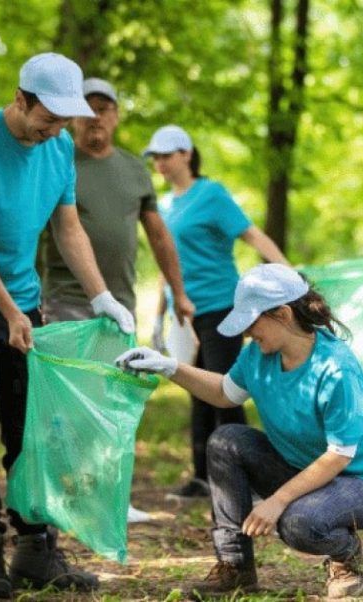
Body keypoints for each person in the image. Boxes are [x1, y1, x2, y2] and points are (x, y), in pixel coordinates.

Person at [0, 53, 135, 598]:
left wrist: (102, 296)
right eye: (47, 119)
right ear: (21, 99)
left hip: (22, 301)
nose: (55, 131)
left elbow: (68, 228)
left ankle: (37, 549)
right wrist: (9, 312)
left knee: (33, 431)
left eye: (64, 121)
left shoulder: (59, 147)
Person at [116, 264, 363, 599]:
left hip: (360, 481)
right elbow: (224, 393)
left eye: (252, 323)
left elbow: (339, 456)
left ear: (282, 314)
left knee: (298, 523)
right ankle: (235, 568)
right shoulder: (258, 356)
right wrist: (169, 367)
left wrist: (277, 500)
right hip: (301, 467)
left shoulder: (336, 368)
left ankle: (345, 554)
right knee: (226, 441)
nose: (248, 333)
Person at [40, 78, 194, 523]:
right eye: (87, 108)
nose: (96, 117)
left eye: (104, 108)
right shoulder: (55, 160)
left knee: (112, 400)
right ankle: (60, 496)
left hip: (119, 306)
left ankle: (109, 496)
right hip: (64, 300)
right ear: (73, 116)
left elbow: (159, 235)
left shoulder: (133, 169)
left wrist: (179, 292)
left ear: (116, 115)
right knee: (69, 404)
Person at [143, 124, 289, 500]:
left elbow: (251, 234)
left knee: (226, 390)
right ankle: (203, 478)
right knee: (197, 391)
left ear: (186, 154)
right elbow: (165, 264)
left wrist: (288, 273)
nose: (160, 162)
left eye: (166, 155)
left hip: (220, 306)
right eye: (155, 157)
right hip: (185, 315)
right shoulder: (163, 205)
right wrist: (159, 315)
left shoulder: (211, 194)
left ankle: (252, 479)